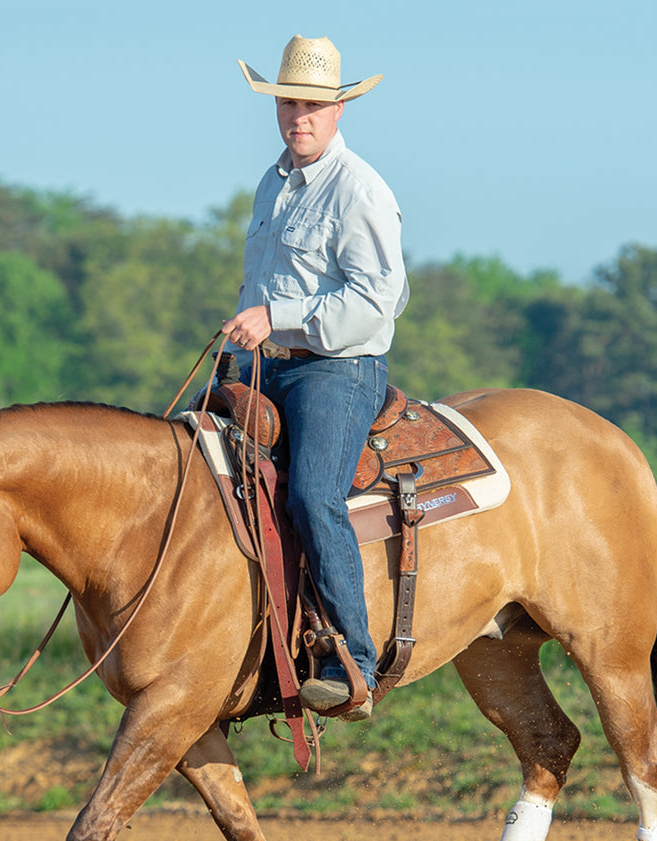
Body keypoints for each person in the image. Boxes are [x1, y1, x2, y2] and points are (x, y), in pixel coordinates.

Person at [222, 35, 409, 722]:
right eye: (288, 103)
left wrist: (279, 316)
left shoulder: (358, 188)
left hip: (339, 368)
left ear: (337, 111)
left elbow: (376, 302)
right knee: (194, 472)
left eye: (312, 105)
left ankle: (352, 661)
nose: (298, 116)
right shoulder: (272, 183)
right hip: (267, 367)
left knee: (311, 495)